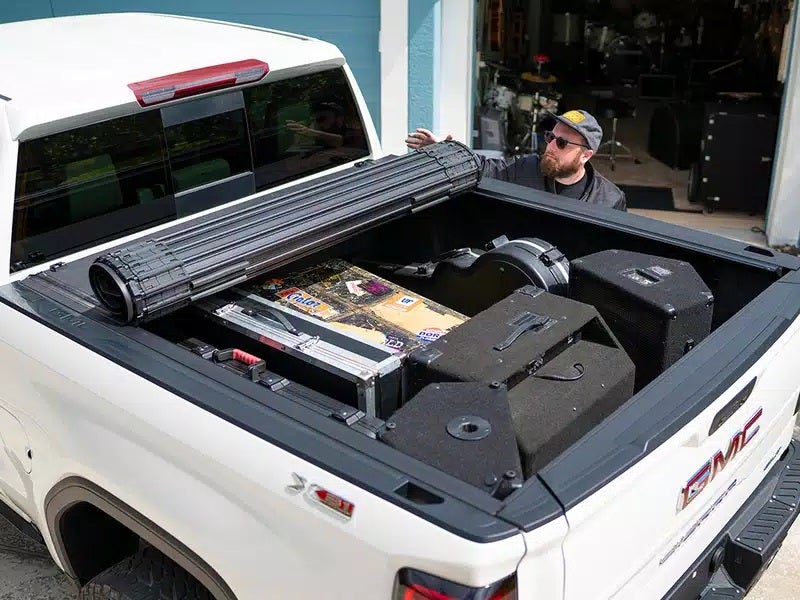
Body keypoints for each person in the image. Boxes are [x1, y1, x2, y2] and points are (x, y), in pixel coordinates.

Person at [405, 109, 627, 211]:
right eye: (550, 137)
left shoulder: (609, 200)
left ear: (586, 155)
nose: (551, 146)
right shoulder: (526, 168)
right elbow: (482, 167)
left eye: (561, 143)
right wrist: (444, 150)